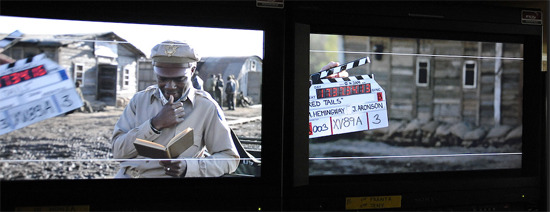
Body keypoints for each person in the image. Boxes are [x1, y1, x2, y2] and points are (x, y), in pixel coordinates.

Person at [111, 40, 239, 178]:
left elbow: (229, 159)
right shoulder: (139, 100)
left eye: (179, 79)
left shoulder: (206, 107)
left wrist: (189, 167)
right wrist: (154, 124)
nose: (170, 86)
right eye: (162, 79)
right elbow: (118, 153)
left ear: (192, 70)